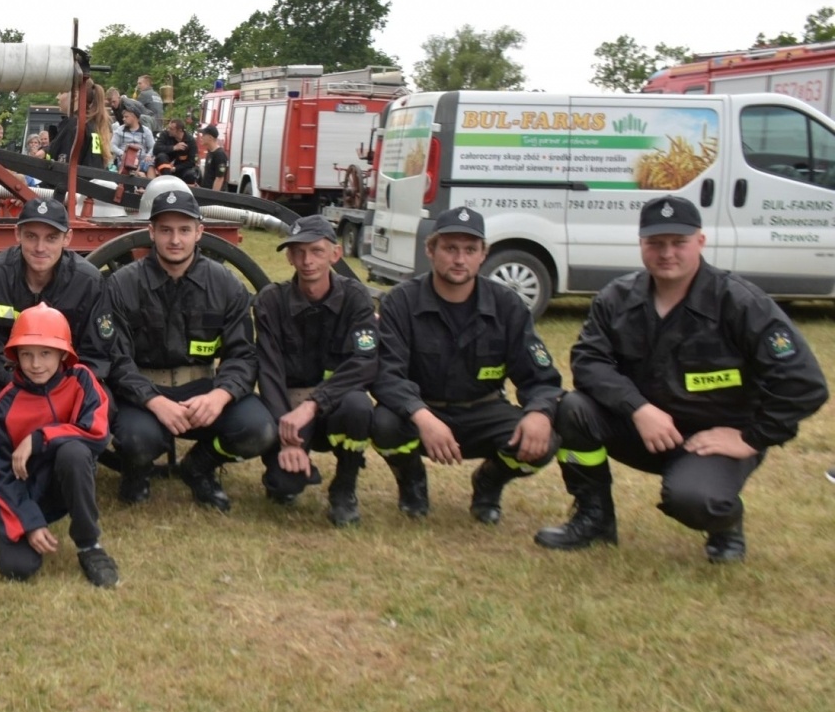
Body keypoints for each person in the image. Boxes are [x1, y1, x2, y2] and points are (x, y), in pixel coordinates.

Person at [537, 196, 828, 562]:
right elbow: (588, 362)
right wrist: (639, 409)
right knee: (573, 409)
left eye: (679, 242)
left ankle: (724, 523)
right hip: (645, 430)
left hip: (711, 442)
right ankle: (594, 519)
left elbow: (805, 384)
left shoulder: (740, 303)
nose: (667, 253)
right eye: (656, 243)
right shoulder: (617, 298)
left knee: (694, 500)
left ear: (701, 242)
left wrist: (752, 438)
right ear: (641, 244)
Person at [371, 207, 562, 523]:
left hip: (483, 412)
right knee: (383, 422)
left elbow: (540, 377)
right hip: (422, 412)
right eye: (450, 248)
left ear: (483, 255)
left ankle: (489, 483)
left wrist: (540, 412)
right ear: (430, 251)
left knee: (546, 439)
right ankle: (411, 482)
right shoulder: (401, 301)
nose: (460, 259)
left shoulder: (508, 305)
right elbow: (387, 373)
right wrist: (423, 417)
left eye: (470, 250)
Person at [105, 191, 277, 510]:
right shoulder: (122, 285)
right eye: (166, 230)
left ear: (199, 232)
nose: (175, 240)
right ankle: (136, 471)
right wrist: (154, 401)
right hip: (143, 393)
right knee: (136, 439)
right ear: (151, 232)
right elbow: (117, 359)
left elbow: (243, 355)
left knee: (258, 429)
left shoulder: (226, 286)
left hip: (203, 389)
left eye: (184, 230)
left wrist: (220, 395)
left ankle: (199, 466)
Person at [255, 216, 378, 525]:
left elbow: (365, 361)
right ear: (289, 256)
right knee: (283, 487)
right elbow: (269, 372)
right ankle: (294, 467)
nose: (307, 261)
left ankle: (344, 488)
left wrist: (313, 405)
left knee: (358, 406)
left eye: (316, 251)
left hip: (335, 405)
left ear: (335, 254)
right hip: (288, 409)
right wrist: (287, 436)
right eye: (298, 252)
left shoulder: (356, 298)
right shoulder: (271, 301)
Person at [0, 305, 118, 587]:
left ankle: (89, 545)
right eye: (26, 354)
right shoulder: (4, 407)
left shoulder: (82, 380)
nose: (35, 364)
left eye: (45, 353)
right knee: (16, 568)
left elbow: (96, 433)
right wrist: (29, 522)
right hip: (29, 494)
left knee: (74, 451)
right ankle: (27, 525)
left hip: (67, 481)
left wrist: (39, 437)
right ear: (16, 356)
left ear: (62, 354)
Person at [0, 197, 111, 393]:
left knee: (105, 405)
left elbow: (96, 355)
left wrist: (59, 387)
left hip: (67, 384)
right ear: (18, 234)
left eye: (51, 238)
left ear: (67, 238)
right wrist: (21, 383)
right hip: (7, 381)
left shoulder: (88, 282)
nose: (40, 248)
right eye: (31, 236)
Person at [152, 119, 198, 183]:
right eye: (168, 128)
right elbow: (156, 149)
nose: (168, 130)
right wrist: (174, 148)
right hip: (165, 167)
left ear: (179, 130)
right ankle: (167, 182)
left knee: (191, 174)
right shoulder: (165, 134)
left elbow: (191, 162)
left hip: (181, 169)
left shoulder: (190, 141)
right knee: (161, 156)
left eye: (171, 129)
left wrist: (175, 168)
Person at [113, 106, 154, 176]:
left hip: (142, 160)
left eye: (126, 117)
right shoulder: (120, 130)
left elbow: (153, 146)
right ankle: (138, 175)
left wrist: (149, 155)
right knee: (128, 164)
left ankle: (150, 185)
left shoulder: (146, 131)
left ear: (134, 117)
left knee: (151, 164)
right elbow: (112, 145)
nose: (123, 119)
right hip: (126, 160)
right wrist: (122, 153)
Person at [198, 126, 229, 191]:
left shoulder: (220, 155)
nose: (201, 137)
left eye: (203, 135)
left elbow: (219, 179)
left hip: (214, 196)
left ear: (210, 138)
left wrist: (213, 197)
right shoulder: (210, 153)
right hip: (206, 193)